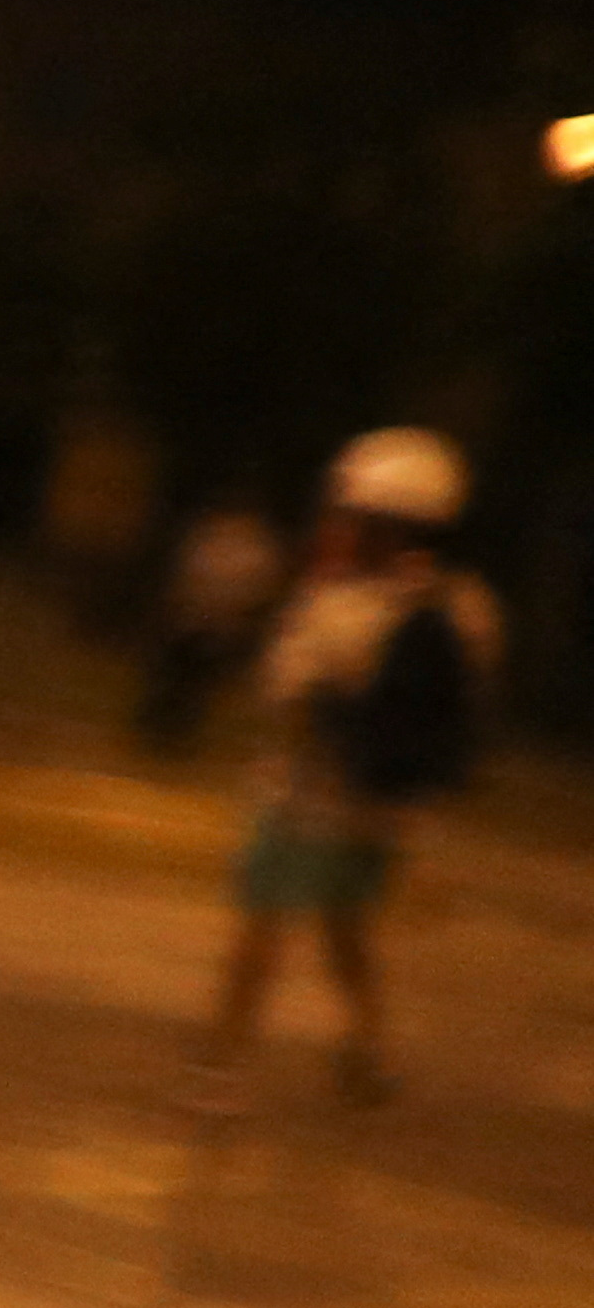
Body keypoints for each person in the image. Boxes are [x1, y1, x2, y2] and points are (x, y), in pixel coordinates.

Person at [192, 424, 500, 1110]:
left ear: (384, 526)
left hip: (306, 795)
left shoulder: (335, 604)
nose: (336, 527)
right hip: (385, 809)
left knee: (261, 931)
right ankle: (367, 1047)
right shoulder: (468, 605)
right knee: (346, 929)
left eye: (350, 516)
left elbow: (280, 692)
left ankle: (223, 1068)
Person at [132, 497, 286, 760]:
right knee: (173, 675)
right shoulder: (213, 538)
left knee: (195, 682)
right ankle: (159, 726)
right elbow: (186, 572)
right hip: (192, 619)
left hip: (217, 625)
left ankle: (174, 731)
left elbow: (255, 588)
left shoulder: (253, 548)